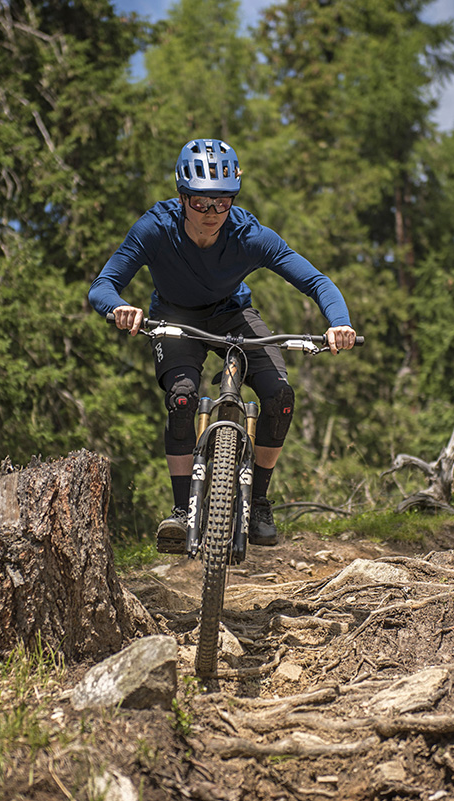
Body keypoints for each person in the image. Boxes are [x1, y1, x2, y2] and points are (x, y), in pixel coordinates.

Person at [89, 138, 357, 553]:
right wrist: (120, 308)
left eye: (222, 202)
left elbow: (316, 281)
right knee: (182, 398)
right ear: (182, 197)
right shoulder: (155, 229)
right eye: (200, 202)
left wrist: (340, 323)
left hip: (233, 313)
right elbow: (103, 286)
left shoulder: (250, 235)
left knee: (280, 396)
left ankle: (259, 502)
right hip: (174, 316)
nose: (211, 213)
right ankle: (183, 511)